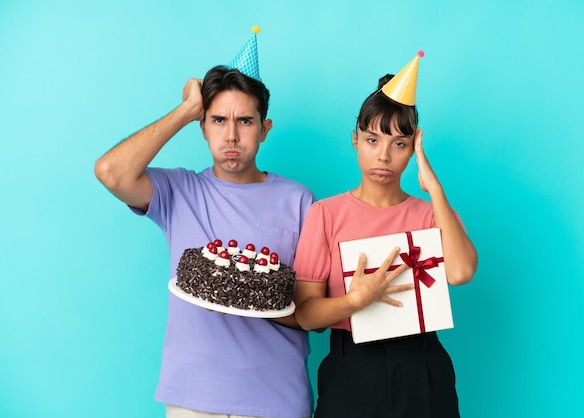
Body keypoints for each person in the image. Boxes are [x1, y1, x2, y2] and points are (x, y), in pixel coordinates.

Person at [94, 62, 314, 417]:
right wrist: (184, 111)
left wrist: (252, 296)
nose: (231, 136)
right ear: (202, 127)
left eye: (245, 121)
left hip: (275, 397)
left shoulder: (299, 200)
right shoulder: (179, 191)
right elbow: (110, 172)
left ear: (264, 129)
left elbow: (311, 306)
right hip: (192, 397)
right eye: (218, 120)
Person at [293, 57, 478, 417]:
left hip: (422, 365)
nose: (383, 155)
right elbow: (306, 315)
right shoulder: (326, 215)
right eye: (372, 139)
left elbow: (460, 273)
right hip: (351, 369)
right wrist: (353, 301)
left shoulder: (430, 214)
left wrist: (433, 188)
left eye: (399, 143)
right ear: (355, 140)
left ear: (414, 147)